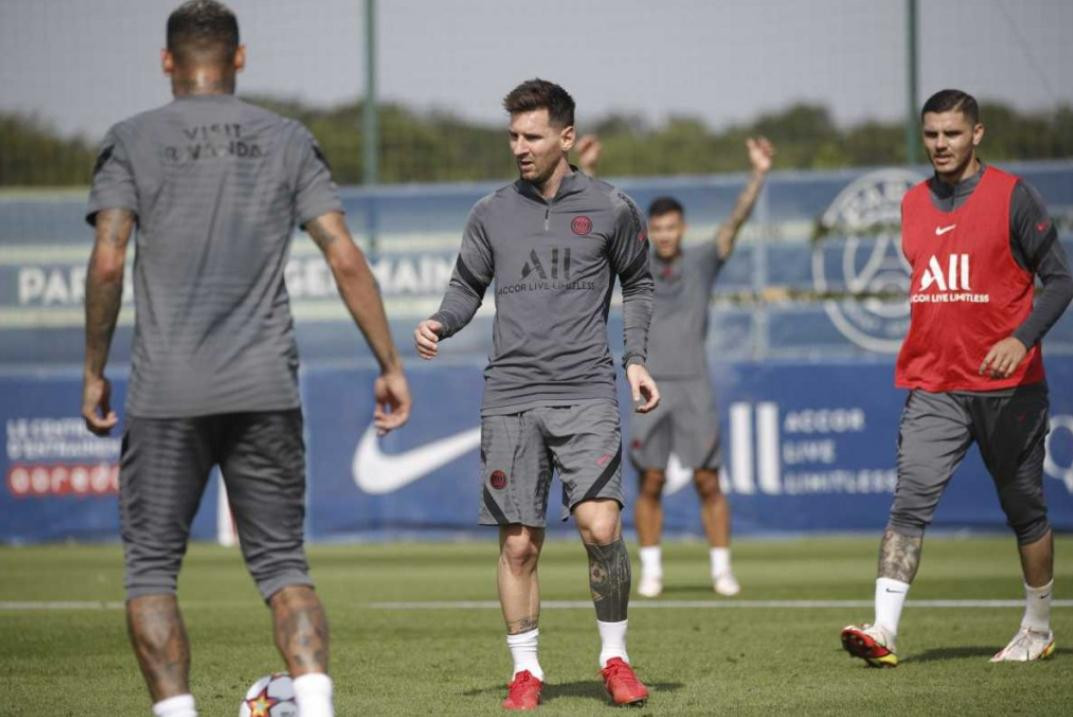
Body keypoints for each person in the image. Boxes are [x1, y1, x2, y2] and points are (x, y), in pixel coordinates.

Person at [81, 3, 411, 715]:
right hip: (265, 383)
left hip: (166, 390)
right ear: (240, 58)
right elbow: (345, 256)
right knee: (284, 567)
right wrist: (389, 361)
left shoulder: (130, 141)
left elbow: (106, 262)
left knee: (150, 573)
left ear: (167, 61)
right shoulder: (287, 139)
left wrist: (92, 368)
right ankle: (316, 707)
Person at [414, 79, 658, 710]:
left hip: (586, 390)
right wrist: (441, 321)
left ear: (566, 137)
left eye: (532, 136)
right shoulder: (490, 212)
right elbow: (466, 288)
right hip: (510, 397)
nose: (520, 147)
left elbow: (640, 284)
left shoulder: (612, 207)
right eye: (513, 137)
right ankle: (526, 671)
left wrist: (635, 361)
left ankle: (615, 659)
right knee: (519, 543)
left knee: (600, 525)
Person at [841, 89, 1073, 667]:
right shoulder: (914, 201)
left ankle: (1038, 627)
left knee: (1024, 509)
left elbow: (1060, 279)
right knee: (909, 503)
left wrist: (1020, 338)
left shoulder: (1014, 196)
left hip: (1010, 388)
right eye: (931, 134)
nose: (940, 144)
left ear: (977, 134)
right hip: (934, 384)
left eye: (951, 133)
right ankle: (885, 632)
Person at [579, 134, 775, 598]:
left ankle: (722, 569)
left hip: (693, 384)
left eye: (672, 227)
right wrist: (586, 171)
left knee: (709, 479)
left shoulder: (703, 261)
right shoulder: (636, 261)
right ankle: (651, 571)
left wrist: (758, 174)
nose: (665, 235)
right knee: (651, 479)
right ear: (651, 230)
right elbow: (599, 220)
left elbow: (735, 222)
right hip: (647, 381)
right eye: (658, 228)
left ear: (682, 228)